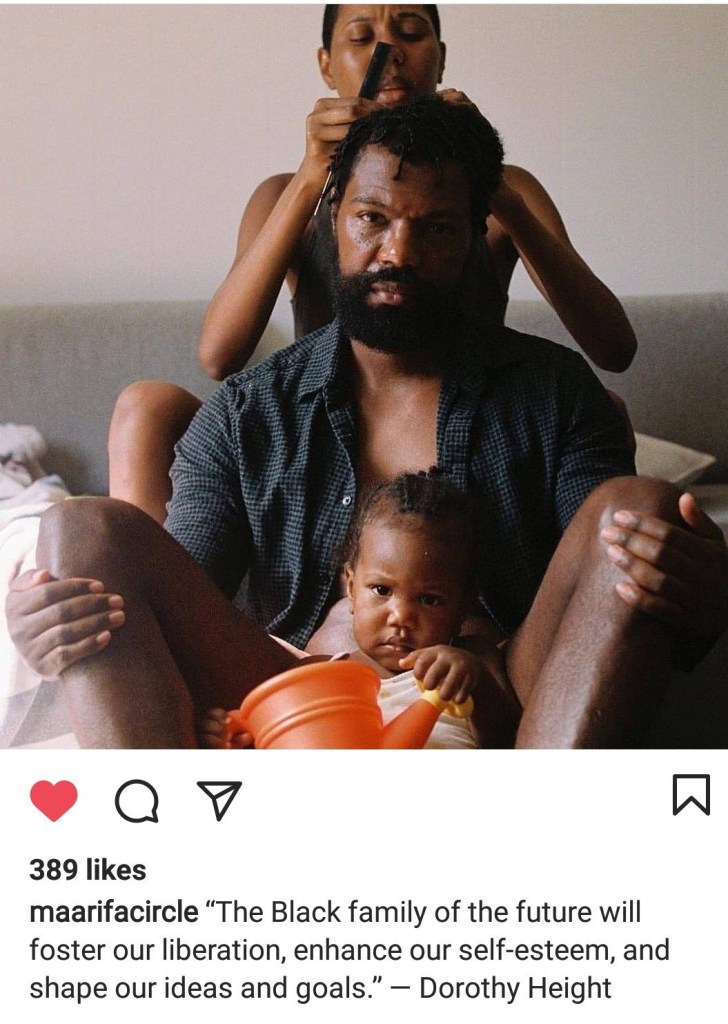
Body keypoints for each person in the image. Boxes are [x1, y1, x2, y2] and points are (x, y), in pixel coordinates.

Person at [6, 98, 726, 749]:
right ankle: (160, 862)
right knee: (81, 533)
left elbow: (603, 589)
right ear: (331, 221)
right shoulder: (248, 411)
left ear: (473, 238)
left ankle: (539, 841)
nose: (397, 254)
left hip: (497, 695)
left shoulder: (556, 390)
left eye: (435, 228)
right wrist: (56, 624)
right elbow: (177, 589)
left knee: (639, 508)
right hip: (297, 699)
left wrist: (699, 591)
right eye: (372, 219)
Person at [108, 3, 638, 524]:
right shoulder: (287, 195)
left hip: (466, 430)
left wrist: (482, 177)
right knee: (144, 408)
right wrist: (312, 179)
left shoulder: (506, 193)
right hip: (323, 435)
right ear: (326, 64)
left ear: (442, 57)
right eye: (362, 38)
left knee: (605, 408)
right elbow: (220, 356)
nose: (391, 53)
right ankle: (156, 591)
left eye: (411, 32)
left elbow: (613, 347)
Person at [201, 471, 520, 750]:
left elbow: (514, 742)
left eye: (429, 599)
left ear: (464, 605)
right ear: (351, 588)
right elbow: (287, 739)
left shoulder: (472, 662)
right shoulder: (320, 673)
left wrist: (476, 685)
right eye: (382, 590)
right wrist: (237, 735)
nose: (400, 617)